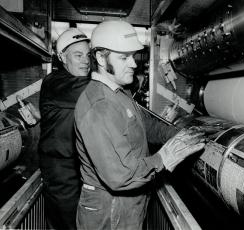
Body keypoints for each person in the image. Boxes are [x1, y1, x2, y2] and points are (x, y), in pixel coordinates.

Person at [74, 20, 205, 230]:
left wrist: (178, 134)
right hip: (109, 216)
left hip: (127, 209)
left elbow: (146, 125)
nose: (134, 64)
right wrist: (164, 157)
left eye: (132, 56)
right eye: (123, 57)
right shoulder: (98, 107)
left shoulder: (119, 92)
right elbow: (120, 176)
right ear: (100, 57)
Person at [38, 28, 90, 230]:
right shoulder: (56, 83)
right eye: (78, 55)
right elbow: (95, 90)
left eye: (88, 55)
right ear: (62, 57)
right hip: (60, 172)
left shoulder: (81, 82)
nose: (85, 60)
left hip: (77, 168)